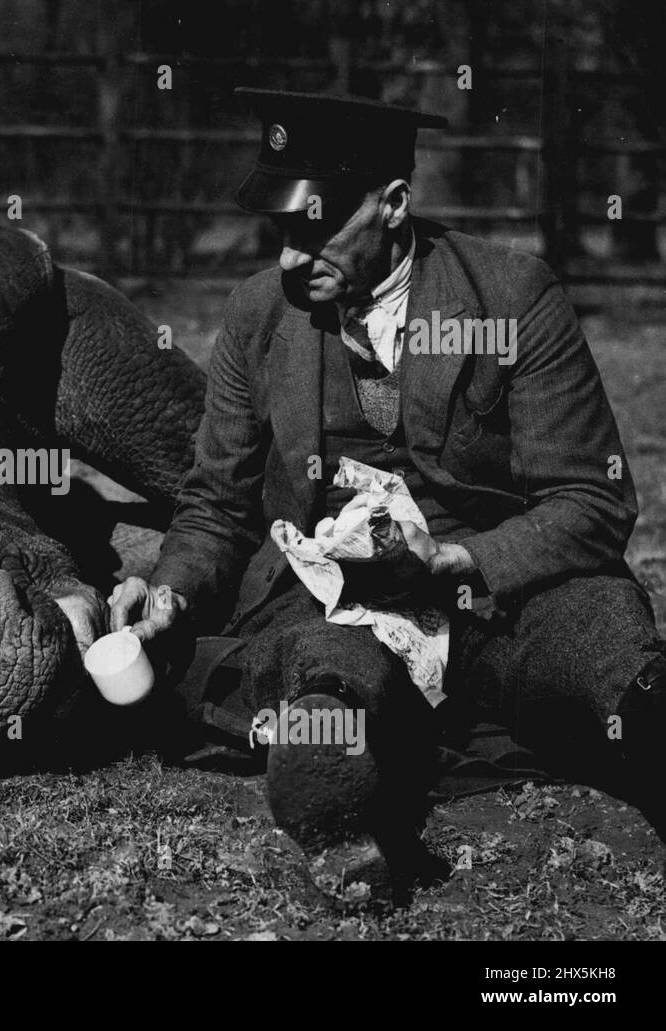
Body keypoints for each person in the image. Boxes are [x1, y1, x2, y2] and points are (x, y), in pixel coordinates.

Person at [108, 88, 666, 901]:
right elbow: (216, 509)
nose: (292, 258)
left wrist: (458, 556)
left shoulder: (511, 297)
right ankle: (337, 810)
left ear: (394, 203)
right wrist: (170, 593)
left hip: (496, 599)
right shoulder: (259, 314)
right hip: (334, 608)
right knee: (327, 670)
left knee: (607, 649)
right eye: (281, 232)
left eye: (316, 227)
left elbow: (592, 501)